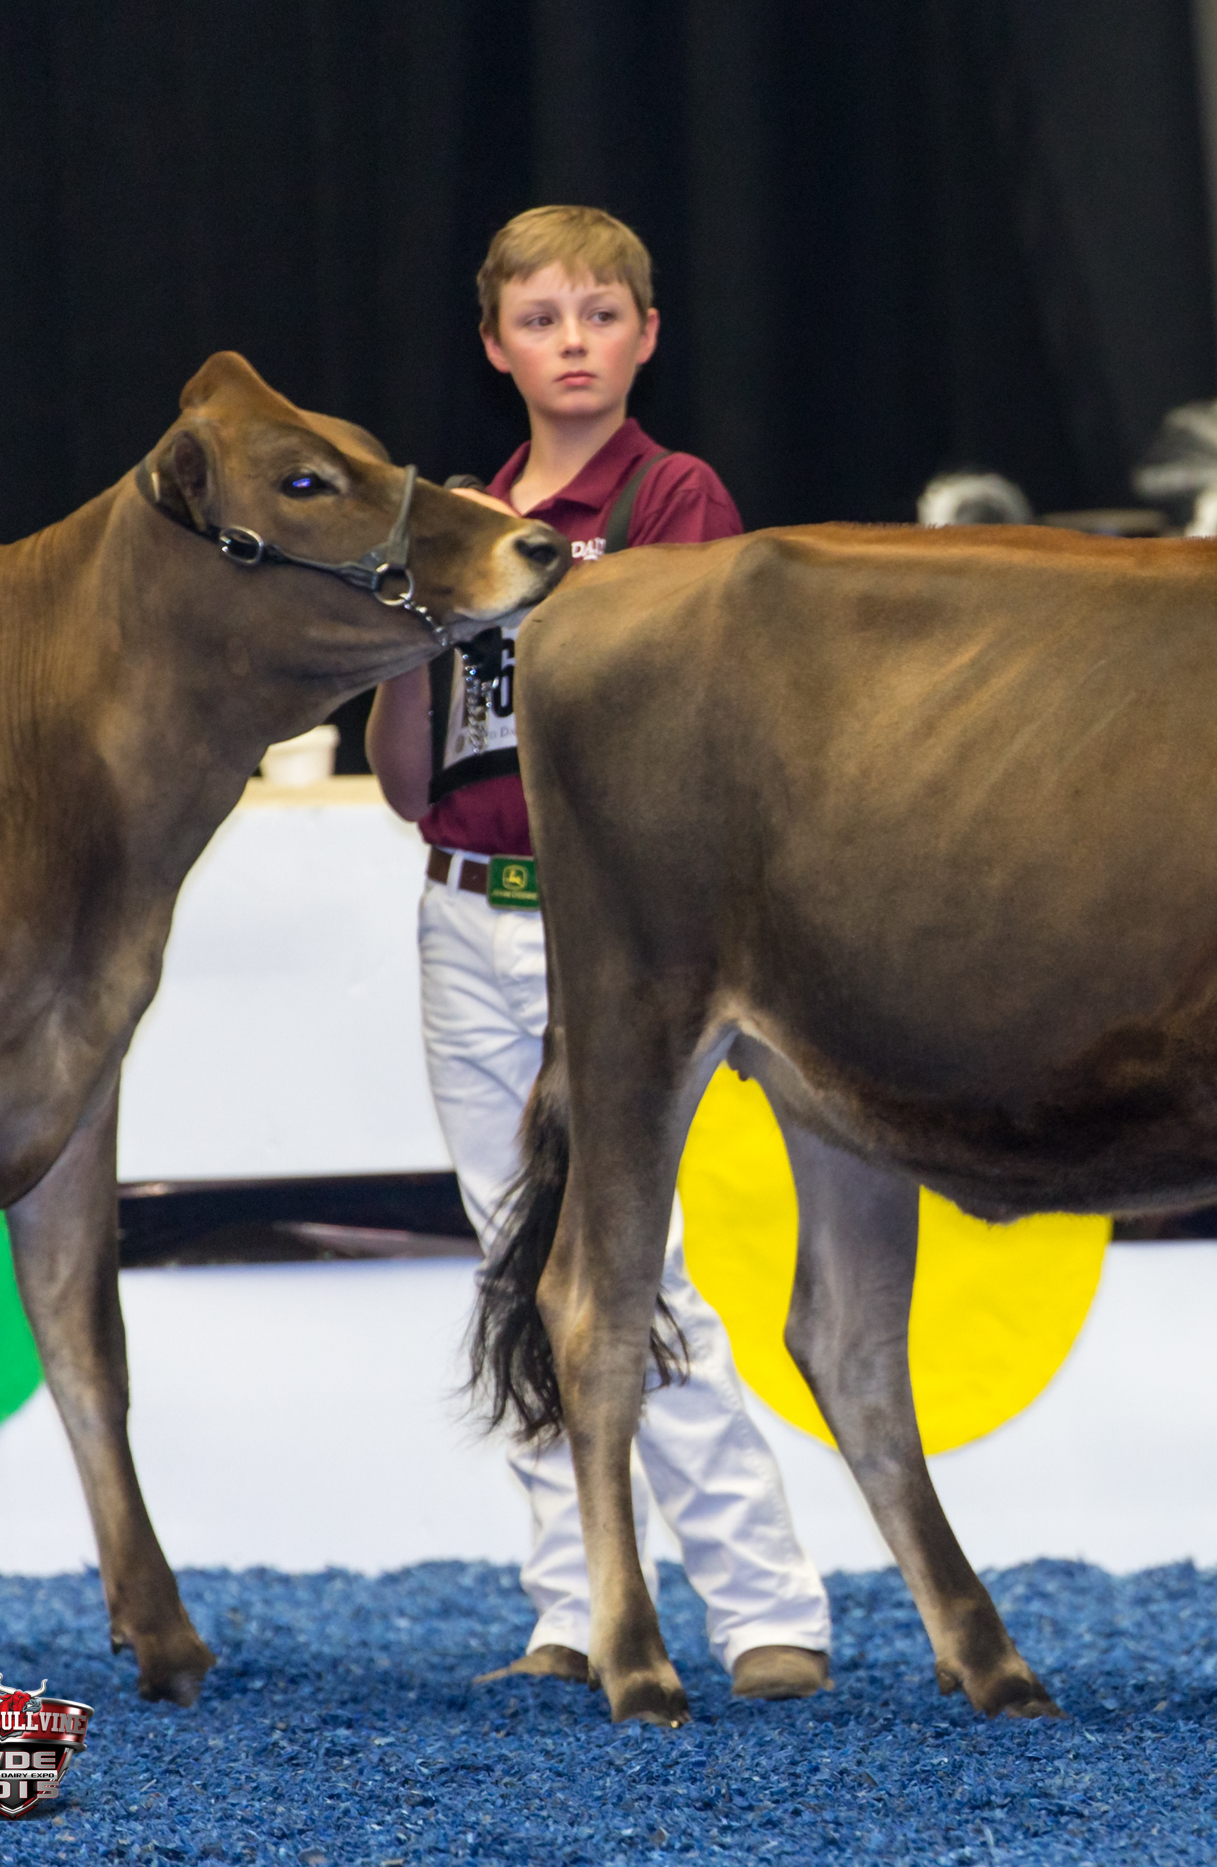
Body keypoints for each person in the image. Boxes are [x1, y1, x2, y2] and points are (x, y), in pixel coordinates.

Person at [367, 206, 833, 1698]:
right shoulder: (457, 518)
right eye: (540, 319)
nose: (571, 342)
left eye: (599, 315)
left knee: (633, 1265)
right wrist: (406, 625)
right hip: (462, 903)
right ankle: (571, 1606)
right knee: (521, 1267)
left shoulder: (673, 497)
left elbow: (710, 728)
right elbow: (406, 779)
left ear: (647, 336)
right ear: (494, 346)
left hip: (618, 926)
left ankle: (765, 1609)